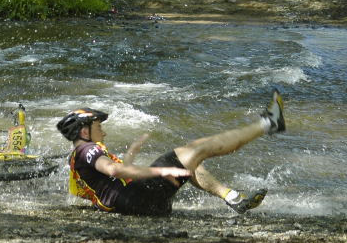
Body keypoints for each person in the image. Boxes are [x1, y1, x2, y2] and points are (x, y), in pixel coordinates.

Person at [56, 88, 285, 216]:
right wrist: (158, 170)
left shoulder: (78, 155)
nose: (102, 130)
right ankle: (268, 124)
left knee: (190, 162)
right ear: (84, 132)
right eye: (98, 126)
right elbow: (113, 168)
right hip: (139, 199)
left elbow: (93, 187)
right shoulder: (89, 150)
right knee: (197, 149)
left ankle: (233, 198)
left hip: (139, 204)